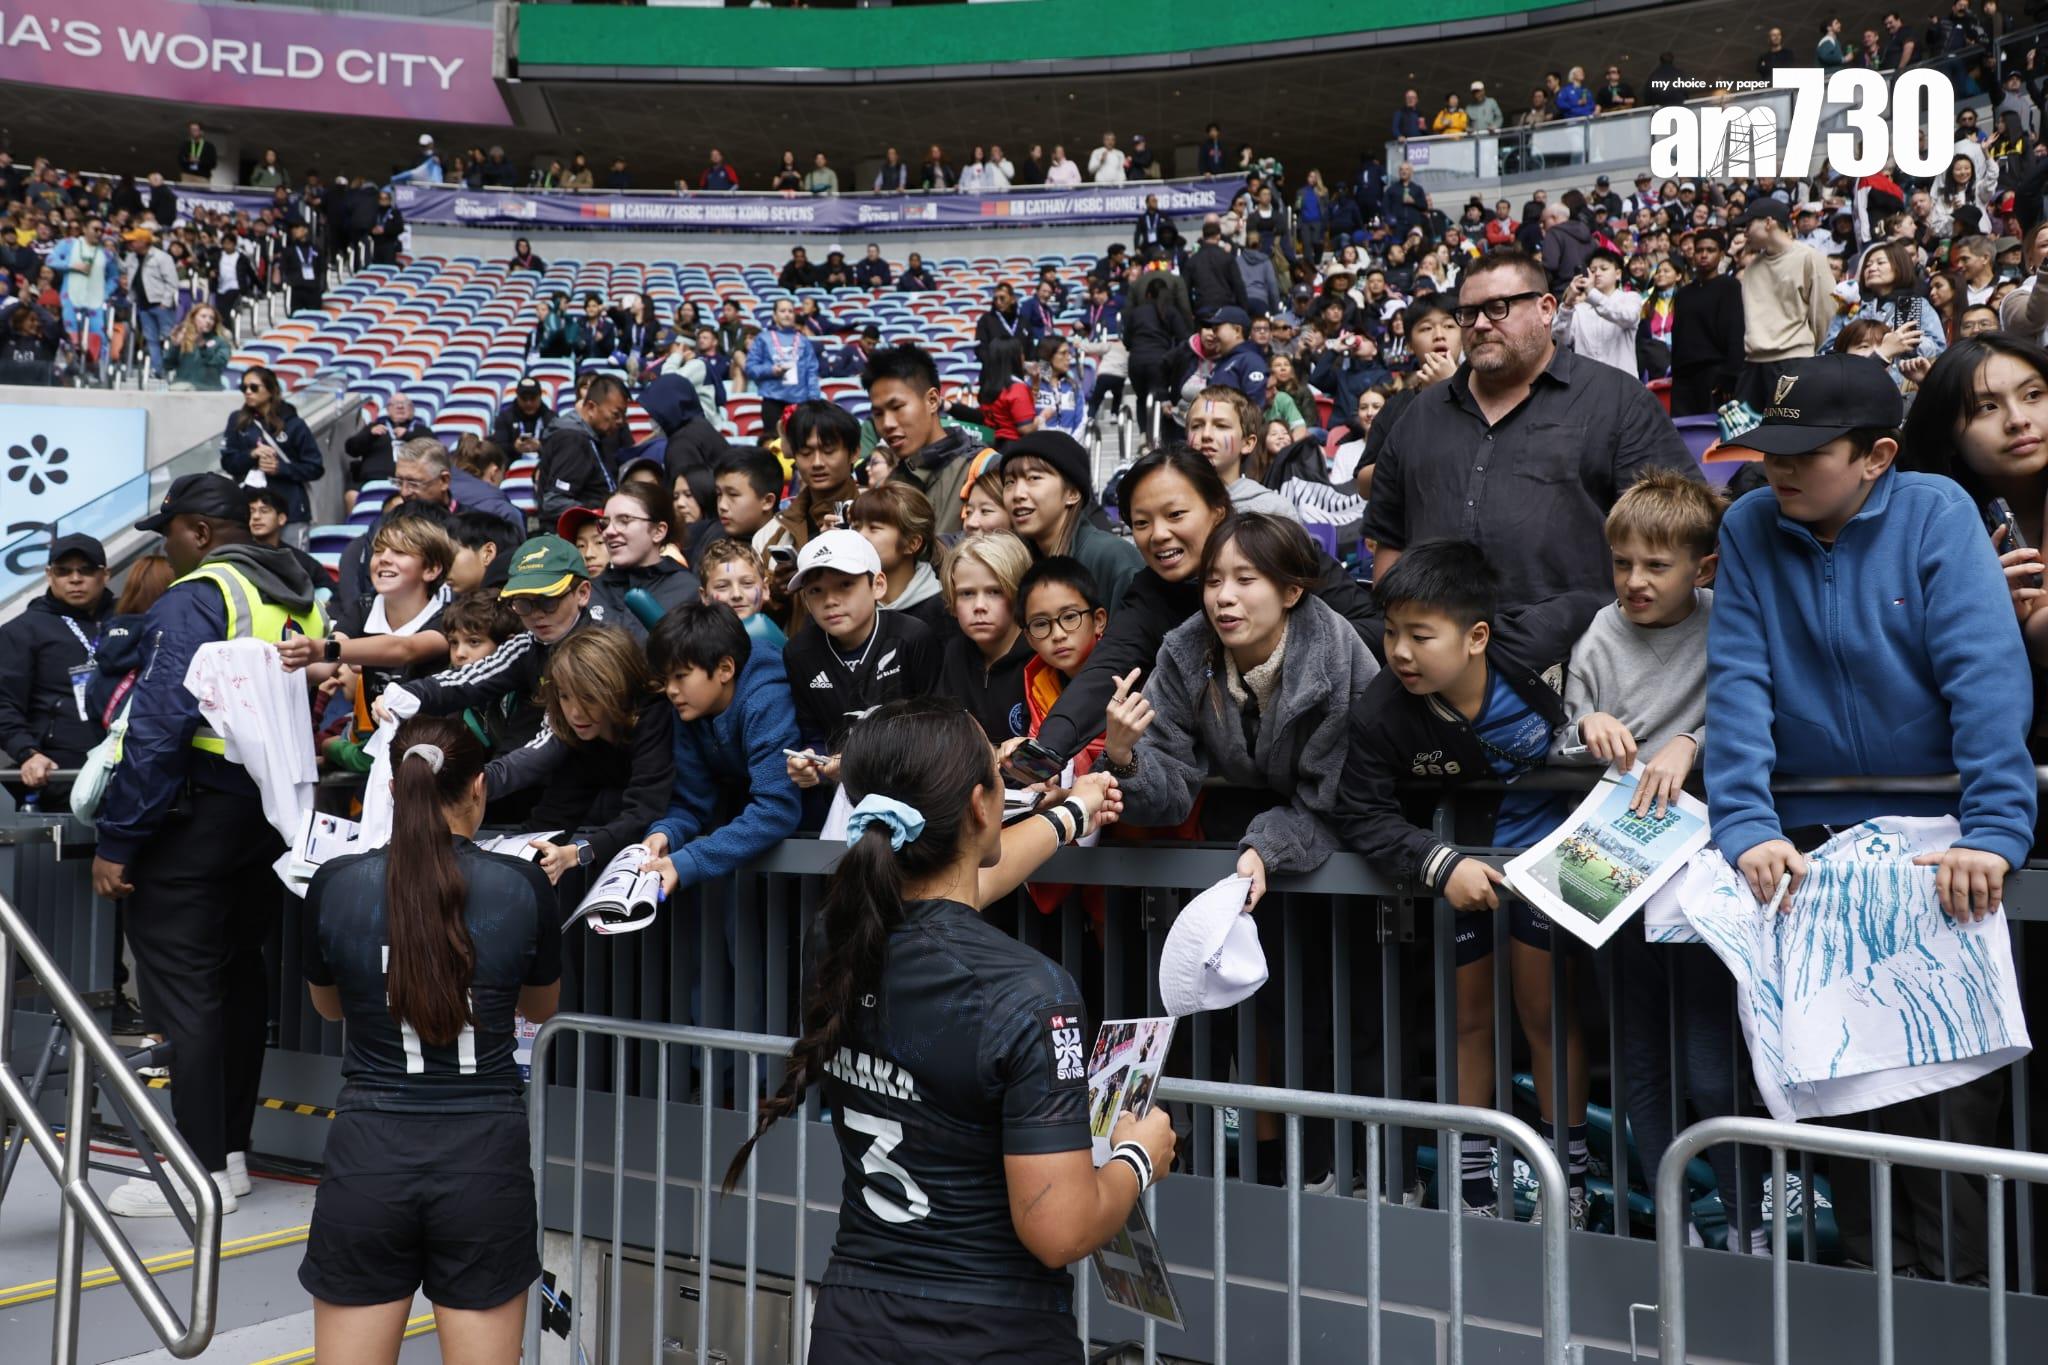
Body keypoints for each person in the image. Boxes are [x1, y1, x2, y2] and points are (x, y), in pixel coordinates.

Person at [1709, 351, 2033, 1279]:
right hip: (1812, 858)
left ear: (1877, 455)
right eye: (1769, 446)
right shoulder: (1749, 529)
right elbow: (1737, 685)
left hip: (1940, 857)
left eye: (1806, 451)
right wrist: (1746, 825)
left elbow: (1985, 679)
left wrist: (1994, 832)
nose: (1778, 467)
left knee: (1947, 1142)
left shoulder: (1937, 513)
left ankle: (1964, 1332)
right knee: (1844, 1122)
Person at [723, 698, 1152, 1361]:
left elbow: (951, 892)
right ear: (982, 807)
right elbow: (1058, 1229)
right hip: (989, 1334)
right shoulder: (1030, 990)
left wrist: (1070, 812)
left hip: (852, 1324)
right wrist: (1137, 1155)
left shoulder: (835, 938)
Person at [1331, 541, 1604, 1221]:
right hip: (1464, 866)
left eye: (1421, 635)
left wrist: (1604, 703)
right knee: (1468, 1019)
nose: (1399, 651)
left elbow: (1624, 612)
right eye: (1391, 631)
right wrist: (1438, 862)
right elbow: (1358, 809)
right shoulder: (1379, 713)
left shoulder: (1547, 633)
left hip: (1563, 858)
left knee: (1548, 1015)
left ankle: (1566, 1181)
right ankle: (1472, 1186)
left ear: (1478, 635)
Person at [93, 474, 328, 1217]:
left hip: (193, 813)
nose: (165, 543)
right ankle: (226, 1157)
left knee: (187, 990)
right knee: (236, 980)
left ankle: (195, 1172)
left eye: (170, 530)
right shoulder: (299, 590)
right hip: (268, 809)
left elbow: (160, 725)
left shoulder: (201, 593)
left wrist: (121, 838)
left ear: (197, 529)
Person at [298, 715, 558, 1361]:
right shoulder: (521, 884)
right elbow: (541, 1004)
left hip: (369, 1153)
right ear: (478, 787)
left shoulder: (335, 882)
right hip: (483, 1156)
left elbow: (327, 1008)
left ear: (390, 788)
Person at [1549, 469, 1760, 1247]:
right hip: (1618, 864)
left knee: (1711, 1061)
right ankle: (1673, 1223)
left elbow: (1755, 707)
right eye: (1623, 563)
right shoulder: (1600, 632)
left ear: (1701, 567)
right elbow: (1563, 732)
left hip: (1707, 869)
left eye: (1656, 565)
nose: (1635, 581)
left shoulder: (1727, 621)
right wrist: (1590, 726)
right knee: (1639, 1053)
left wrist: (1695, 741)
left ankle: (1746, 1220)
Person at [1362, 249, 1696, 609]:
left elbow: (1678, 531)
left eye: (1499, 307)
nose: (1480, 324)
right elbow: (1390, 537)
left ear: (1547, 309)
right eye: (1469, 313)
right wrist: (1395, 628)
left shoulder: (1617, 401)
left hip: (1576, 652)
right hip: (1437, 653)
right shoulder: (1420, 414)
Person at [1034, 447, 1377, 764]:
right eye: (1141, 523)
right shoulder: (1151, 594)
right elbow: (1104, 672)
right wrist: (1046, 748)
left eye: (1176, 514)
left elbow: (1375, 630)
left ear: (1218, 511)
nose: (1158, 534)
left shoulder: (1282, 555)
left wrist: (1275, 638)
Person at [1105, 513, 1378, 905]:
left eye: (1245, 580)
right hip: (1231, 843)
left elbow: (1341, 796)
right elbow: (1167, 790)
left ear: (1291, 591)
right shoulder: (1185, 651)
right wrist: (1124, 756)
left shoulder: (1335, 654)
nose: (1223, 597)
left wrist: (1267, 846)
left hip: (1336, 861)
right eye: (1213, 581)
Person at [481, 626, 673, 898]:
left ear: (617, 689)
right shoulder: (584, 738)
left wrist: (577, 853)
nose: (574, 711)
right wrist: (495, 859)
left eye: (588, 697)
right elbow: (553, 816)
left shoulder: (655, 716)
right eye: (564, 695)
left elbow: (643, 812)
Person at [639, 601, 802, 893]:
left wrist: (689, 860)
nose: (671, 690)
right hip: (737, 845)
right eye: (666, 679)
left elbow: (777, 809)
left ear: (725, 668)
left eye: (681, 676)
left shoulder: (766, 700)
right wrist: (666, 833)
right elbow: (692, 801)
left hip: (801, 859)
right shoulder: (689, 707)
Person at [781, 531, 942, 792]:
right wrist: (809, 763)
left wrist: (862, 759)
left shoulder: (912, 637)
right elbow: (813, 733)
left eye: (845, 585)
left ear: (877, 584)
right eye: (815, 591)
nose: (830, 601)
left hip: (913, 784)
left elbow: (935, 728)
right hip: (841, 793)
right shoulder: (799, 653)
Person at [0, 533, 113, 807]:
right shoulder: (22, 631)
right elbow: (4, 702)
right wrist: (27, 752)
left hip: (125, 765)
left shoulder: (129, 620)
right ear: (49, 575)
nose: (75, 578)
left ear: (105, 575)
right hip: (58, 772)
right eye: (64, 571)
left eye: (86, 570)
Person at [864, 343, 996, 538]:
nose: (887, 423)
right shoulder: (891, 484)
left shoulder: (985, 469)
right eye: (878, 413)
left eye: (897, 407)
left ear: (933, 401)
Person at [1000, 430, 1141, 610]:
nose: (1017, 494)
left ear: (1073, 493)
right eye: (1009, 482)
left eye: (1033, 478)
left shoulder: (1113, 558)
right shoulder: (1016, 565)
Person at [937, 533, 1036, 743]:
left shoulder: (1039, 657)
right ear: (952, 602)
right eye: (967, 594)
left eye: (994, 592)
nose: (979, 606)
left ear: (1019, 595)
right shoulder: (955, 653)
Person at [221, 365, 326, 542]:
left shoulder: (294, 424)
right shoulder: (237, 420)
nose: (247, 392)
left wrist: (281, 468)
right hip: (250, 510)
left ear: (271, 390)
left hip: (290, 510)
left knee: (292, 566)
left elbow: (315, 467)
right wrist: (251, 455)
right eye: (243, 388)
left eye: (254, 387)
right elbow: (227, 462)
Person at [585, 484, 702, 641]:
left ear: (658, 531)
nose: (609, 532)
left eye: (624, 520)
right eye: (604, 523)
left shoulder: (688, 590)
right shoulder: (589, 591)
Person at [1733, 198, 1834, 363]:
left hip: (1795, 359)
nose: (1745, 233)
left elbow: (1824, 314)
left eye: (1748, 226)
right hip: (1754, 362)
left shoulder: (1810, 258)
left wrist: (1806, 349)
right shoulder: (1752, 268)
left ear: (1768, 222)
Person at [1185, 386, 1301, 522]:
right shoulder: (1168, 501)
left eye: (1221, 426)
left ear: (1247, 444)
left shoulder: (1274, 511)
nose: (1206, 435)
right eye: (1197, 426)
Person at [852, 481, 951, 636]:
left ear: (912, 543)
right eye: (855, 527)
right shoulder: (848, 606)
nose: (859, 536)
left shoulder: (943, 611)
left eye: (874, 528)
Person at [1669, 229, 1746, 416]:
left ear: (1721, 254)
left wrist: (1731, 374)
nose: (1704, 255)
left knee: (1714, 435)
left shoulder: (1729, 286)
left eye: (1710, 250)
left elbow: (1735, 331)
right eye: (1699, 250)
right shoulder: (1683, 294)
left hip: (1716, 374)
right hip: (1684, 378)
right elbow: (1677, 335)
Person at [537, 373, 629, 524]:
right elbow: (553, 502)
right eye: (616, 414)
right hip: (575, 540)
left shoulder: (591, 437)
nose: (621, 422)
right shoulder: (572, 440)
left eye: (624, 415)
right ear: (592, 407)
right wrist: (597, 514)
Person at [1550, 248, 1644, 376]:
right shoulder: (1580, 309)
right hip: (1588, 384)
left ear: (1618, 274)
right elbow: (1559, 340)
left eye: (1604, 269)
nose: (1597, 273)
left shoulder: (1630, 298)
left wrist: (1592, 294)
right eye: (1593, 270)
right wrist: (1567, 305)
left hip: (1623, 384)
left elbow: (1627, 316)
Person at [746, 298, 820, 441]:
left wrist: (814, 401)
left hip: (800, 402)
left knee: (800, 443)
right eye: (782, 311)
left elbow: (812, 372)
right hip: (773, 401)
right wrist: (770, 370)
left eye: (790, 311)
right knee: (774, 444)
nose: (787, 314)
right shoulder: (763, 338)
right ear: (774, 316)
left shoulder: (803, 341)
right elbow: (750, 367)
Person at [345, 392, 434, 492]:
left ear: (412, 409)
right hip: (371, 480)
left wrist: (408, 435)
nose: (400, 406)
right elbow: (351, 449)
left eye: (405, 403)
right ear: (388, 410)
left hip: (409, 483)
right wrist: (370, 435)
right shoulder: (374, 427)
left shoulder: (420, 430)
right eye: (395, 404)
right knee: (351, 495)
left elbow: (434, 447)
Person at [976, 337, 1037, 444]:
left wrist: (1036, 383)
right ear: (1015, 358)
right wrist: (1042, 418)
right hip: (1015, 448)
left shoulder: (988, 386)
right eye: (1021, 353)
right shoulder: (1017, 389)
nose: (1024, 357)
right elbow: (1025, 428)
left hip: (992, 445)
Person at [161, 302, 231, 392]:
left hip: (209, 389)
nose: (208, 321)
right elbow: (168, 365)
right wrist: (175, 346)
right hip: (182, 388)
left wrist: (203, 346)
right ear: (193, 318)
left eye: (211, 318)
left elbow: (219, 363)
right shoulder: (183, 337)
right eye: (203, 316)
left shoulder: (221, 342)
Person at [492, 378, 555, 458]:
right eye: (524, 398)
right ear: (517, 397)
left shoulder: (551, 418)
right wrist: (514, 448)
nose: (528, 403)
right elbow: (498, 448)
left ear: (540, 396)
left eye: (533, 398)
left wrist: (540, 446)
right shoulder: (504, 417)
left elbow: (559, 447)